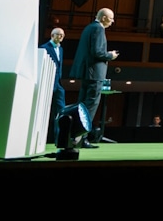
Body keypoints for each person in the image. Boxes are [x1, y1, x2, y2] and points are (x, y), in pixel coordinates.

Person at [68, 8, 118, 147]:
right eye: (111, 18)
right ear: (103, 18)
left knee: (82, 104)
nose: (112, 21)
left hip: (87, 72)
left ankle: (76, 137)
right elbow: (97, 52)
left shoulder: (89, 27)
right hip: (94, 73)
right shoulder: (98, 29)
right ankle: (82, 137)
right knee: (90, 106)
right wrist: (110, 55)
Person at [39, 28, 66, 145]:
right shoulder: (44, 48)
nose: (60, 37)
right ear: (52, 35)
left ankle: (59, 139)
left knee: (61, 111)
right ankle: (40, 140)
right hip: (47, 83)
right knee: (43, 110)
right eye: (58, 34)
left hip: (58, 84)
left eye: (62, 35)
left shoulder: (61, 49)